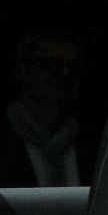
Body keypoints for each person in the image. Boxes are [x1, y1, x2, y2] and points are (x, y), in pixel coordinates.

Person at [1, 29, 96, 187]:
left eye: (72, 67)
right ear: (22, 71)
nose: (64, 73)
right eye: (51, 65)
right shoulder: (5, 140)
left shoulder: (94, 145)